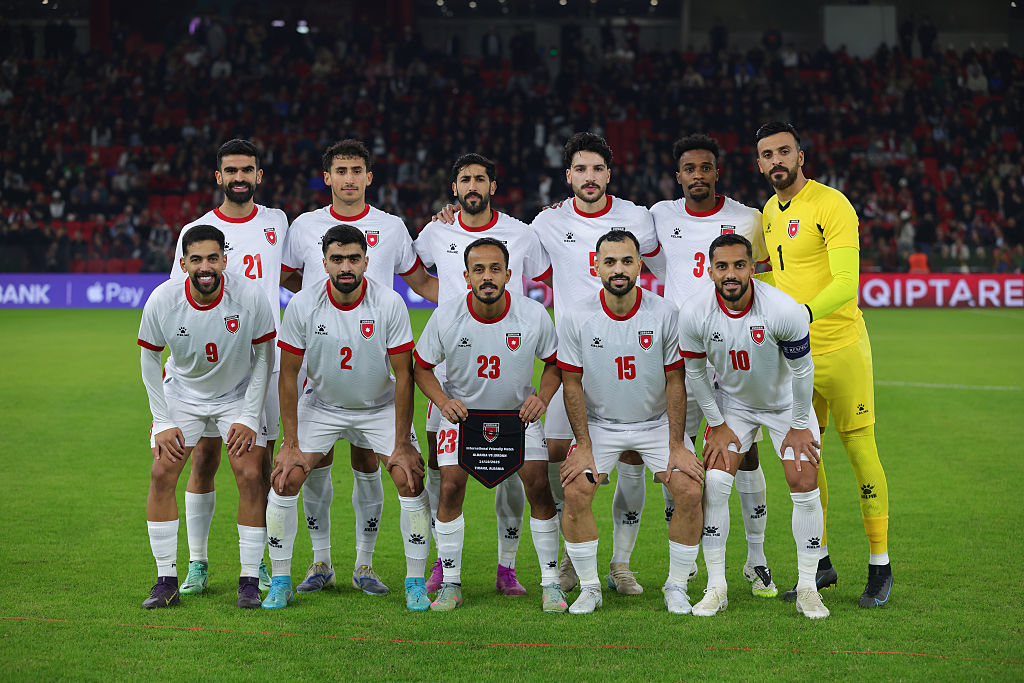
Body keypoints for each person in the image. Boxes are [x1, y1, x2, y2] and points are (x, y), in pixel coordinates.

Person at [281, 139, 437, 596]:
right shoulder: (304, 226)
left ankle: (365, 565)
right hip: (322, 366)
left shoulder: (390, 227)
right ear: (327, 177)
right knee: (316, 463)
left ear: (369, 177)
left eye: (356, 171)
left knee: (369, 461)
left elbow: (421, 281)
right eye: (340, 170)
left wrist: (473, 298)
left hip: (375, 368)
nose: (348, 178)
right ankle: (321, 561)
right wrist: (319, 298)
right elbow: (285, 275)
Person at [755, 121, 892, 607]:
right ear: (759, 163)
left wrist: (802, 315)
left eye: (784, 151)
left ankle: (880, 565)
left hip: (841, 350)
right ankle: (819, 562)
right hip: (796, 358)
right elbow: (785, 271)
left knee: (860, 451)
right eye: (767, 154)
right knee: (806, 456)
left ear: (800, 156)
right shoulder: (769, 212)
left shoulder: (832, 204)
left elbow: (846, 281)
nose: (776, 161)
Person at [531, 133, 663, 596]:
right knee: (556, 454)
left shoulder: (637, 218)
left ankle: (621, 564)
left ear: (609, 173)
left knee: (631, 456)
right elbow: (528, 265)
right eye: (581, 169)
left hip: (631, 357)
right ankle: (572, 557)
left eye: (597, 169)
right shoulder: (548, 222)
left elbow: (667, 267)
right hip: (573, 360)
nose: (590, 177)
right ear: (568, 176)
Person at [415, 154, 550, 596]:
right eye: (464, 179)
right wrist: (446, 300)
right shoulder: (436, 231)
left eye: (480, 179)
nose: (472, 186)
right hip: (451, 371)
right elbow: (414, 274)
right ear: (454, 187)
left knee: (513, 472)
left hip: (507, 369)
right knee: (441, 471)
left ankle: (506, 567)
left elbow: (551, 275)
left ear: (493, 185)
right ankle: (443, 561)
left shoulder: (522, 233)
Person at [650, 133, 776, 598]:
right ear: (678, 175)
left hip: (735, 356)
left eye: (706, 167)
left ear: (717, 172)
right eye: (689, 168)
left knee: (746, 453)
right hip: (678, 358)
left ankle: (756, 560)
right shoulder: (660, 216)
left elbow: (761, 276)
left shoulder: (748, 218)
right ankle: (683, 563)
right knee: (678, 452)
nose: (698, 175)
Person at [679, 233, 829, 619]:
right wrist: (718, 424)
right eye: (722, 266)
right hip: (735, 406)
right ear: (710, 271)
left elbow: (803, 371)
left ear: (752, 268)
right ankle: (716, 587)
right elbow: (695, 374)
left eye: (739, 265)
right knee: (715, 481)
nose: (731, 273)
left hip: (786, 407)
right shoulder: (695, 312)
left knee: (803, 481)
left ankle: (808, 588)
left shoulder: (783, 309)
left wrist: (799, 425)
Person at [168, 139, 292, 597]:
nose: (240, 177)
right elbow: (180, 295)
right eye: (231, 170)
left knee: (260, 466)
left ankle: (258, 564)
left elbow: (292, 271)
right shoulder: (197, 229)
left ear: (259, 175)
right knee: (203, 459)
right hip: (212, 365)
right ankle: (198, 563)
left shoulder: (277, 222)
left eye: (247, 169)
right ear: (218, 176)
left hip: (264, 360)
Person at [557, 230, 703, 615]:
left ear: (640, 265)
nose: (618, 269)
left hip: (655, 423)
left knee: (690, 490)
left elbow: (676, 381)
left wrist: (676, 445)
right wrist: (583, 445)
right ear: (596, 267)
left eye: (626, 261)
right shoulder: (576, 316)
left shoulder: (665, 314)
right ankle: (590, 588)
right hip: (600, 424)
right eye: (610, 262)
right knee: (576, 491)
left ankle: (676, 586)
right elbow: (571, 384)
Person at [138, 225, 276, 609]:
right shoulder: (163, 299)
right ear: (183, 263)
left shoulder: (250, 296)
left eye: (213, 258)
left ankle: (249, 580)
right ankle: (166, 580)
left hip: (237, 394)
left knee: (251, 474)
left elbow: (265, 357)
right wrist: (163, 421)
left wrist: (250, 416)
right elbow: (149, 359)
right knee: (162, 473)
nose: (205, 267)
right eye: (196, 259)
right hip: (183, 394)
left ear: (224, 260)